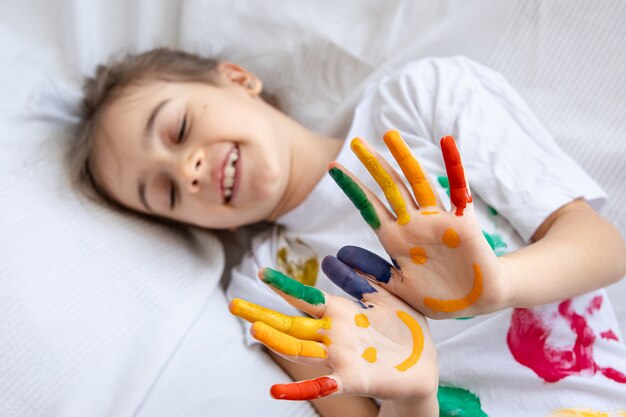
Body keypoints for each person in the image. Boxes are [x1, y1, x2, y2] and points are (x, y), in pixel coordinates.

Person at [69, 48, 626, 416]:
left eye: (179, 128)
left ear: (237, 78)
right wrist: (414, 392)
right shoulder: (267, 288)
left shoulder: (418, 100)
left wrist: (498, 286)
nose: (186, 170)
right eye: (164, 193)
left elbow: (600, 244)